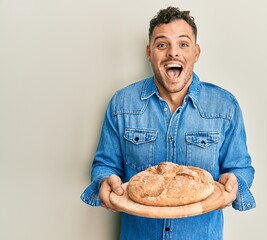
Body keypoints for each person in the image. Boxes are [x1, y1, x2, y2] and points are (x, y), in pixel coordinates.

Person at [81, 6, 255, 240]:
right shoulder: (122, 104)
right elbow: (105, 165)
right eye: (162, 44)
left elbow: (240, 168)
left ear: (196, 52)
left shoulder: (224, 106)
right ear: (149, 52)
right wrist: (105, 180)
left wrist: (235, 181)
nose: (173, 53)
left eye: (183, 44)